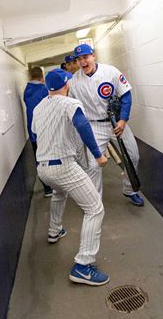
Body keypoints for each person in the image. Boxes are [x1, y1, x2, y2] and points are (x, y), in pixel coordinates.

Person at [32, 68, 110, 286]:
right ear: (66, 84)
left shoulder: (39, 107)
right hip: (63, 166)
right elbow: (83, 125)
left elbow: (35, 134)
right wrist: (98, 155)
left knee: (59, 193)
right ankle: (83, 266)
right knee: (95, 208)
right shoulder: (69, 103)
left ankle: (54, 230)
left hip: (43, 168)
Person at [69, 44, 144, 207]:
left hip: (117, 123)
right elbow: (74, 109)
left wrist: (123, 120)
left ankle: (129, 189)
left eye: (85, 57)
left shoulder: (111, 72)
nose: (82, 62)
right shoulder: (74, 82)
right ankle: (95, 203)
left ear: (93, 56)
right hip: (94, 126)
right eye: (79, 59)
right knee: (94, 165)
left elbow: (126, 95)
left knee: (133, 156)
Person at [23, 67, 53, 197]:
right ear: (42, 77)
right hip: (47, 130)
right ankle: (57, 185)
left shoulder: (26, 91)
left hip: (33, 132)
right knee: (52, 157)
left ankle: (47, 188)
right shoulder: (44, 90)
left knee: (40, 160)